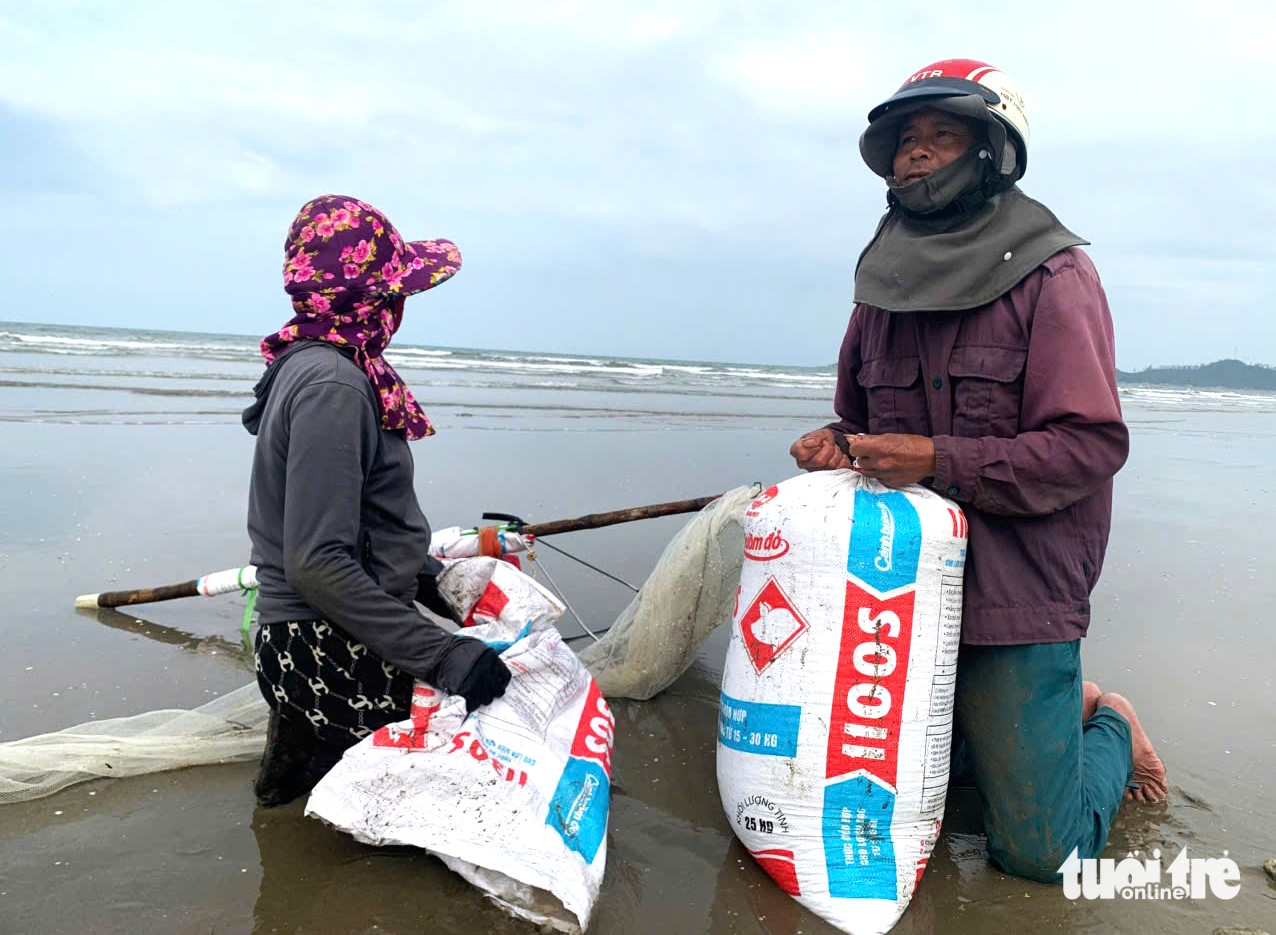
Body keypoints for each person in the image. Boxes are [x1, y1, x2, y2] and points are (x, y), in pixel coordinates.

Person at [790, 60, 1167, 883]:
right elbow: (859, 419)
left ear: (994, 151)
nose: (916, 153)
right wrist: (835, 441)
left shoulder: (1054, 273)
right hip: (899, 581)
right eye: (906, 140)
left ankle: (1109, 722)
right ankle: (1063, 705)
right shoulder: (880, 285)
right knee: (901, 780)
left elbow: (1089, 445)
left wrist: (938, 457)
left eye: (942, 135)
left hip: (1015, 588)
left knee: (1041, 854)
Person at [243, 194, 511, 807]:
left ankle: (293, 779)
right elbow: (317, 564)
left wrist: (432, 579)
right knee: (486, 763)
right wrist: (444, 655)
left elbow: (362, 520)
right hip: (322, 646)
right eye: (397, 293)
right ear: (371, 300)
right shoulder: (334, 385)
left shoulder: (318, 365)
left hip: (320, 631)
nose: (401, 307)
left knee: (300, 796)